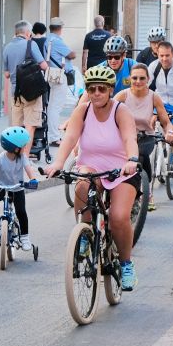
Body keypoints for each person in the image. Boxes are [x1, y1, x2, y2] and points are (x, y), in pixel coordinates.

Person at [48, 63, 141, 289]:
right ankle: (86, 234)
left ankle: (126, 264)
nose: (96, 93)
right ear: (87, 91)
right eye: (91, 89)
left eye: (101, 88)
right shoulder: (82, 110)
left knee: (119, 217)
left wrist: (131, 160)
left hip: (121, 169)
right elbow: (70, 138)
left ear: (110, 89)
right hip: (91, 165)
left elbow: (130, 138)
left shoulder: (121, 111)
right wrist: (58, 163)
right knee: (81, 186)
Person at [115, 63, 173, 206]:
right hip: (125, 136)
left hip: (146, 136)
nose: (138, 81)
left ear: (148, 79)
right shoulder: (122, 95)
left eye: (142, 78)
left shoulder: (154, 97)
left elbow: (166, 122)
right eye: (134, 78)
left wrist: (170, 132)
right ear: (129, 79)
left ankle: (145, 189)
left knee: (139, 156)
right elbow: (106, 112)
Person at [0, 127, 41, 250]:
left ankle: (24, 237)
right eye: (23, 146)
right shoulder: (1, 158)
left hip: (17, 188)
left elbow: (29, 170)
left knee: (21, 212)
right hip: (2, 187)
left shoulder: (22, 158)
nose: (24, 148)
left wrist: (33, 179)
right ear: (16, 148)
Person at [2, 19, 50, 159]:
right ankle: (25, 157)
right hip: (32, 92)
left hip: (15, 92)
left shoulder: (7, 48)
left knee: (16, 125)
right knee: (31, 124)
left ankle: (15, 155)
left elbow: (6, 74)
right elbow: (43, 66)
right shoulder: (31, 44)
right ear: (28, 33)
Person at [45, 17, 78, 144]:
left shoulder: (48, 39)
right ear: (60, 28)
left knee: (53, 105)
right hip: (59, 75)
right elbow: (71, 54)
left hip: (52, 74)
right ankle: (53, 136)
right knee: (55, 106)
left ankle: (52, 135)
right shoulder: (56, 41)